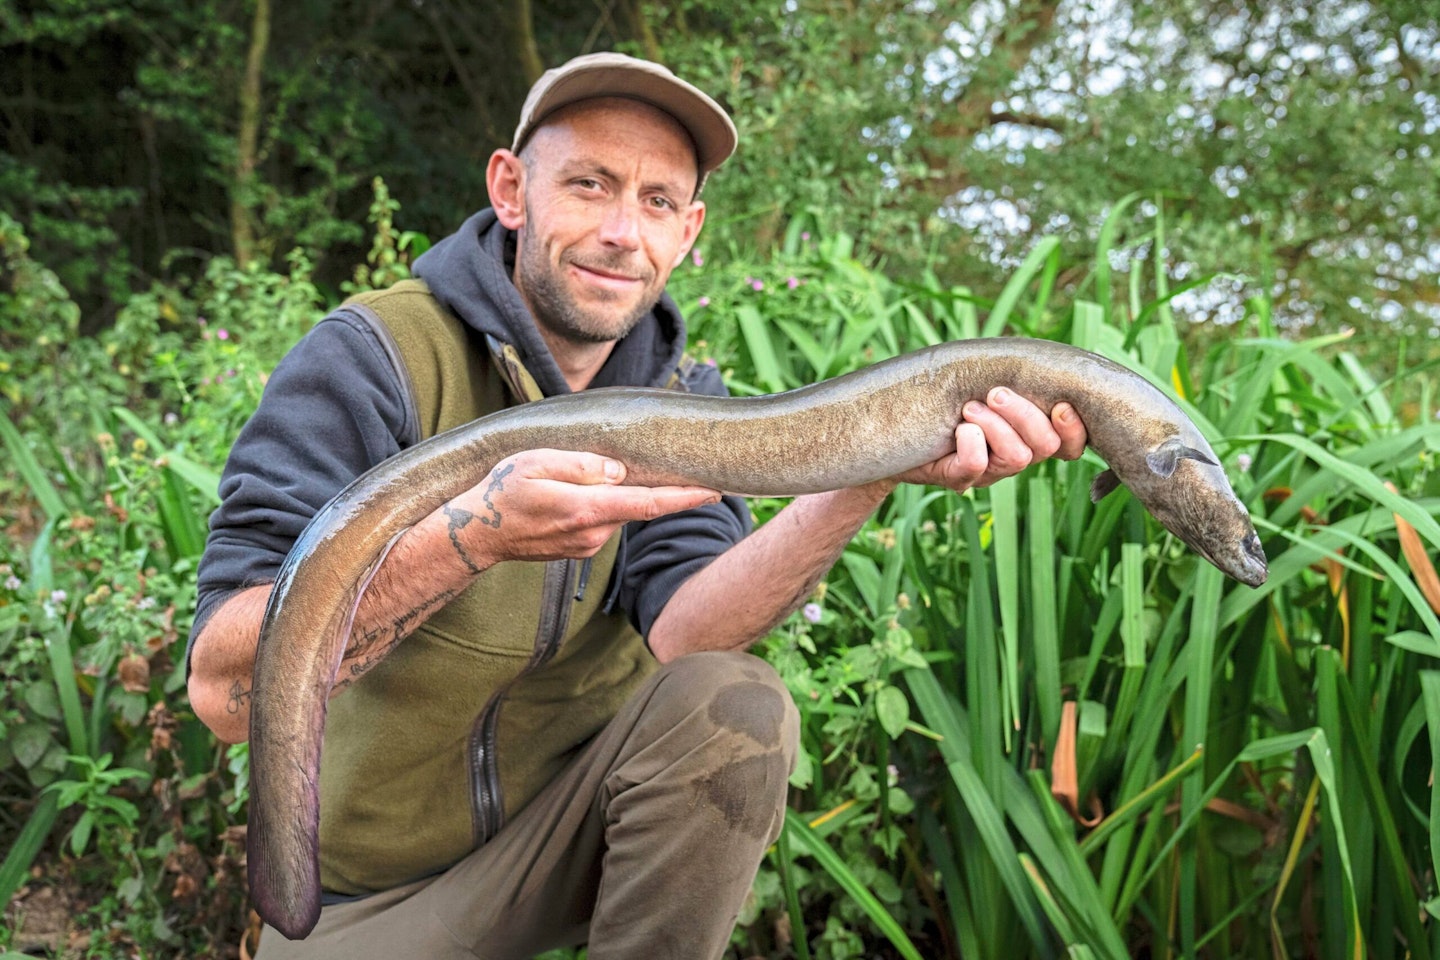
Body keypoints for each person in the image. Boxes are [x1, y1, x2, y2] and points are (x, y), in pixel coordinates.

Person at [186, 52, 1087, 960]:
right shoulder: (372, 356)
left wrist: (868, 473)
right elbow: (225, 691)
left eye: (658, 201)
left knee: (735, 701)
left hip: (562, 851)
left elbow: (689, 632)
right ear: (511, 189)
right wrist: (473, 539)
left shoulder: (687, 401)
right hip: (365, 900)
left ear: (689, 230)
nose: (624, 231)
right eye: (589, 184)